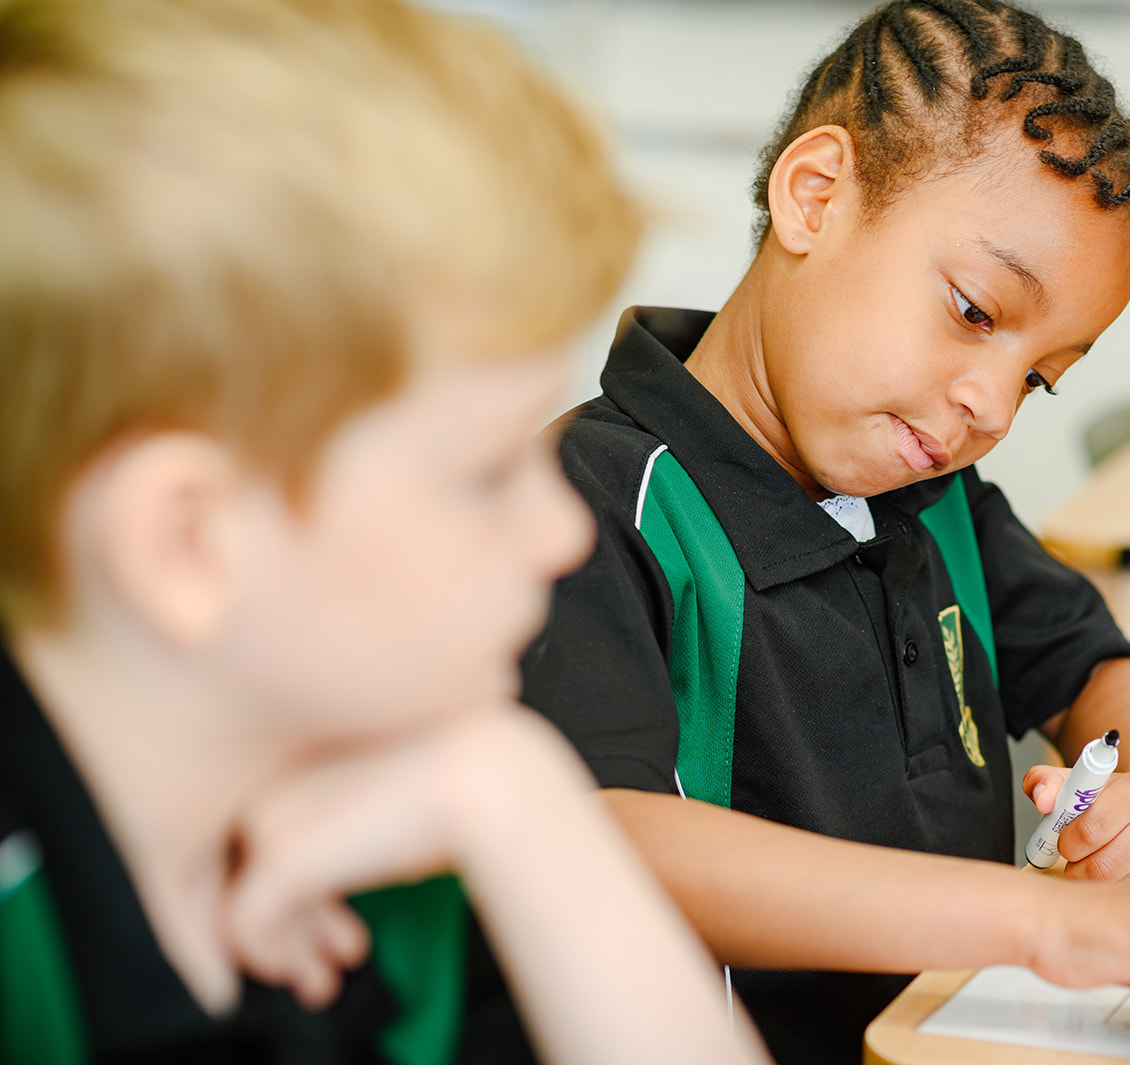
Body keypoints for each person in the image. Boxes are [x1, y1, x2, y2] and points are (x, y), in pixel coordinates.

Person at [519, 2, 1130, 1063]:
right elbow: (604, 838)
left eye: (1037, 379)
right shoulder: (585, 501)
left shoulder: (936, 497)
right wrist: (1044, 922)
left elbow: (1102, 674)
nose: (991, 405)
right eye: (975, 311)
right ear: (816, 197)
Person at [0, 1, 771, 1062]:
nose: (561, 535)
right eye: (487, 473)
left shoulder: (403, 804)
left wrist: (516, 797)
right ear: (187, 542)